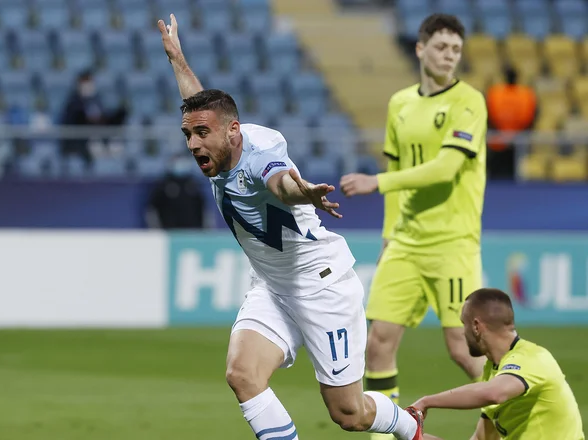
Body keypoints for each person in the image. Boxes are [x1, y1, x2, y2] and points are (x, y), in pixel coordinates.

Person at [158, 13, 424, 440]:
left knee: (349, 414)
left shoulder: (263, 149)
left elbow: (280, 183)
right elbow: (200, 107)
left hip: (322, 286)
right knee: (242, 374)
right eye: (188, 135)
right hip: (271, 286)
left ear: (234, 131)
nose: (193, 145)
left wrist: (304, 193)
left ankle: (409, 425)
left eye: (200, 134)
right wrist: (177, 59)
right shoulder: (218, 142)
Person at [339, 13, 487, 424]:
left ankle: (506, 418)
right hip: (406, 242)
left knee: (462, 348)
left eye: (456, 49)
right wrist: (389, 236)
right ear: (421, 49)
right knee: (378, 344)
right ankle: (385, 432)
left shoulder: (469, 101)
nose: (449, 56)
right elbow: (403, 174)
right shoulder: (400, 104)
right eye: (441, 47)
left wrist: (377, 182)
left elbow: (445, 168)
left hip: (452, 242)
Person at [411, 288, 584, 440]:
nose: (463, 333)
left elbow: (495, 393)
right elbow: (481, 438)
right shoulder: (493, 370)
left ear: (477, 326)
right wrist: (411, 434)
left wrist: (427, 402)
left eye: (464, 324)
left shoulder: (531, 358)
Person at [60, 69, 127, 167]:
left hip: (101, 135)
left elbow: (103, 116)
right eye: (85, 81)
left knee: (120, 115)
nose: (88, 84)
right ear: (79, 83)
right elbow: (73, 123)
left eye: (90, 81)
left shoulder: (97, 99)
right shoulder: (73, 102)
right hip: (82, 141)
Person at [485, 66, 537, 180]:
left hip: (505, 141)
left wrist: (505, 135)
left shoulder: (496, 93)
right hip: (509, 141)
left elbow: (488, 116)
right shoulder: (525, 94)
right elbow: (532, 117)